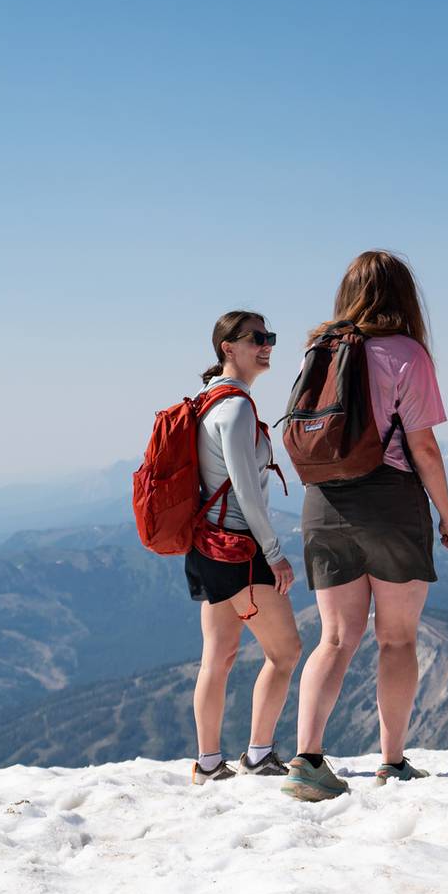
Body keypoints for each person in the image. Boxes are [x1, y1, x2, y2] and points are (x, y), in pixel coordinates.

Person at [282, 251, 448, 801]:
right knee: (397, 638)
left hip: (323, 504)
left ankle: (307, 759)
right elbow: (424, 446)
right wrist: (447, 516)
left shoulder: (321, 349)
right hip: (390, 501)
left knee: (334, 638)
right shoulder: (406, 353)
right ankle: (392, 761)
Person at [185, 311, 303, 784]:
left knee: (218, 656)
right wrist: (273, 552)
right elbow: (247, 491)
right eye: (258, 338)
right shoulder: (234, 408)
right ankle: (257, 753)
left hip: (208, 545)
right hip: (239, 549)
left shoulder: (206, 401)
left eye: (270, 337)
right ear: (226, 347)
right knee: (287, 652)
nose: (268, 345)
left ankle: (209, 763)